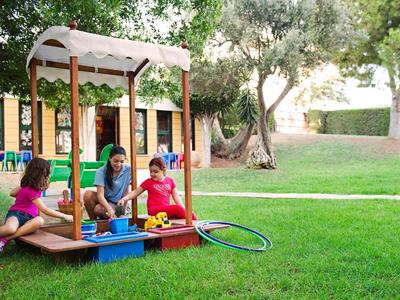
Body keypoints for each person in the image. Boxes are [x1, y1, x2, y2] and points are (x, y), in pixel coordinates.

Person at [0, 158, 73, 254]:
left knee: (39, 221)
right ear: (39, 174)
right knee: (10, 228)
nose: (48, 176)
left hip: (29, 219)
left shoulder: (30, 187)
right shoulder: (30, 190)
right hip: (16, 214)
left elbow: (12, 193)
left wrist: (24, 186)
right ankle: (5, 239)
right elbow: (45, 210)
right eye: (47, 174)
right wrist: (65, 215)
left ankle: (5, 239)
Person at [117, 157, 197, 220]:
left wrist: (184, 208)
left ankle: (197, 225)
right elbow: (135, 192)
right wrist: (124, 199)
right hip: (154, 210)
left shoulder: (170, 181)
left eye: (155, 172)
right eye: (151, 171)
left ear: (164, 170)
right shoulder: (148, 182)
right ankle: (196, 225)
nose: (152, 174)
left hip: (165, 211)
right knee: (178, 208)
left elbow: (176, 198)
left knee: (187, 210)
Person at [84, 145, 131, 219]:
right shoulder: (101, 171)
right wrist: (109, 209)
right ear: (109, 158)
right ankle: (93, 221)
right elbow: (100, 195)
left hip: (120, 204)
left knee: (98, 209)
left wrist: (122, 211)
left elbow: (127, 193)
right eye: (115, 161)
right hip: (107, 201)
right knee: (88, 194)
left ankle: (113, 218)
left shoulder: (128, 169)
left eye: (121, 161)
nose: (118, 164)